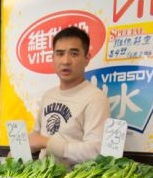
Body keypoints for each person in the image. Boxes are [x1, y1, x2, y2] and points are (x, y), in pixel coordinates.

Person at [28, 26, 111, 166]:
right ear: (53, 58)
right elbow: (36, 136)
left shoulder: (96, 98)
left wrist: (48, 143)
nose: (65, 61)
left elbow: (97, 151)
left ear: (87, 58)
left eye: (74, 54)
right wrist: (19, 150)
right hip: (40, 177)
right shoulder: (48, 95)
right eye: (60, 54)